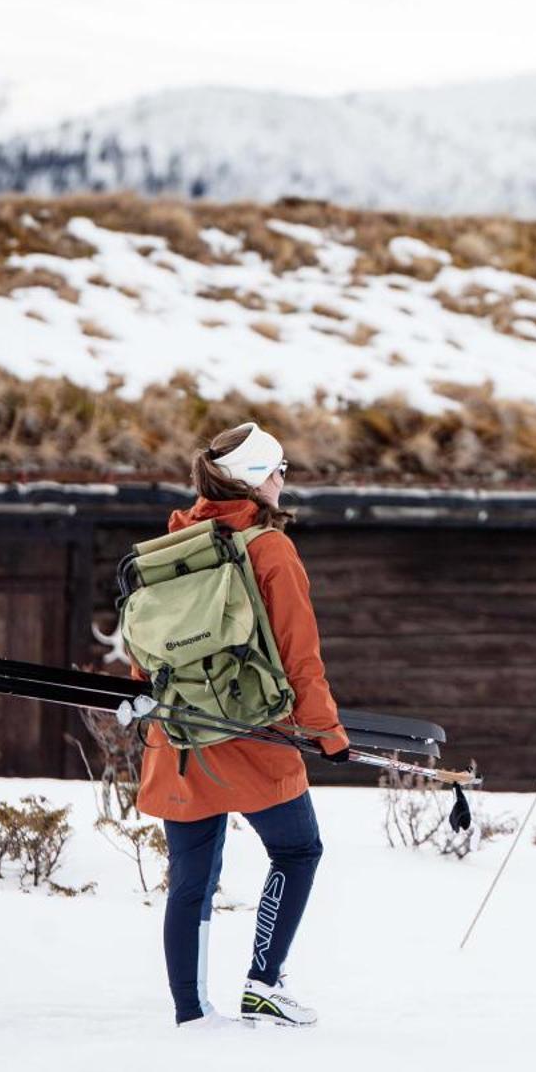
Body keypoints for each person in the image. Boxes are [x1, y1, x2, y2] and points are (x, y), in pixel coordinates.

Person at [136, 421, 350, 1030]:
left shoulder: (170, 545)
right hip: (257, 733)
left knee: (191, 880)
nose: (285, 480)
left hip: (180, 734)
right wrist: (326, 732)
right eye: (280, 469)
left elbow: (145, 653)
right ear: (257, 480)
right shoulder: (270, 549)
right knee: (297, 849)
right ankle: (263, 983)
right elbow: (299, 655)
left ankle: (191, 1014)